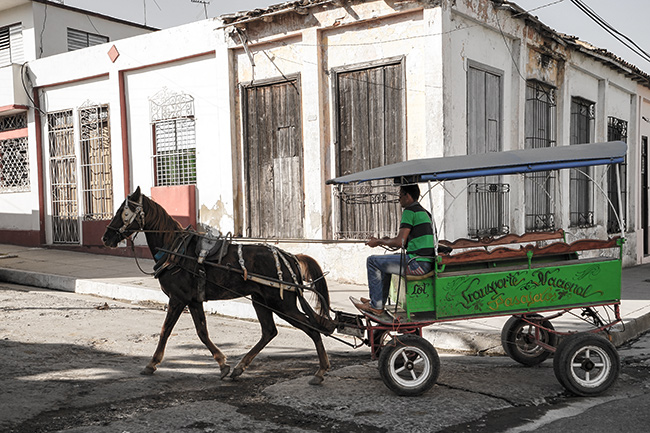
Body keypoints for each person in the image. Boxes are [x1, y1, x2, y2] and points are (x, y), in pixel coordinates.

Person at [354, 184, 435, 315]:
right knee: (385, 264)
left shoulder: (410, 211)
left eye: (400, 195)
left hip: (416, 264)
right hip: (425, 262)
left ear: (408, 196)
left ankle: (376, 305)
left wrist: (378, 241)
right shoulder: (424, 212)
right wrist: (385, 240)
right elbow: (406, 240)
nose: (399, 199)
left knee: (372, 261)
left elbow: (399, 242)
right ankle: (378, 301)